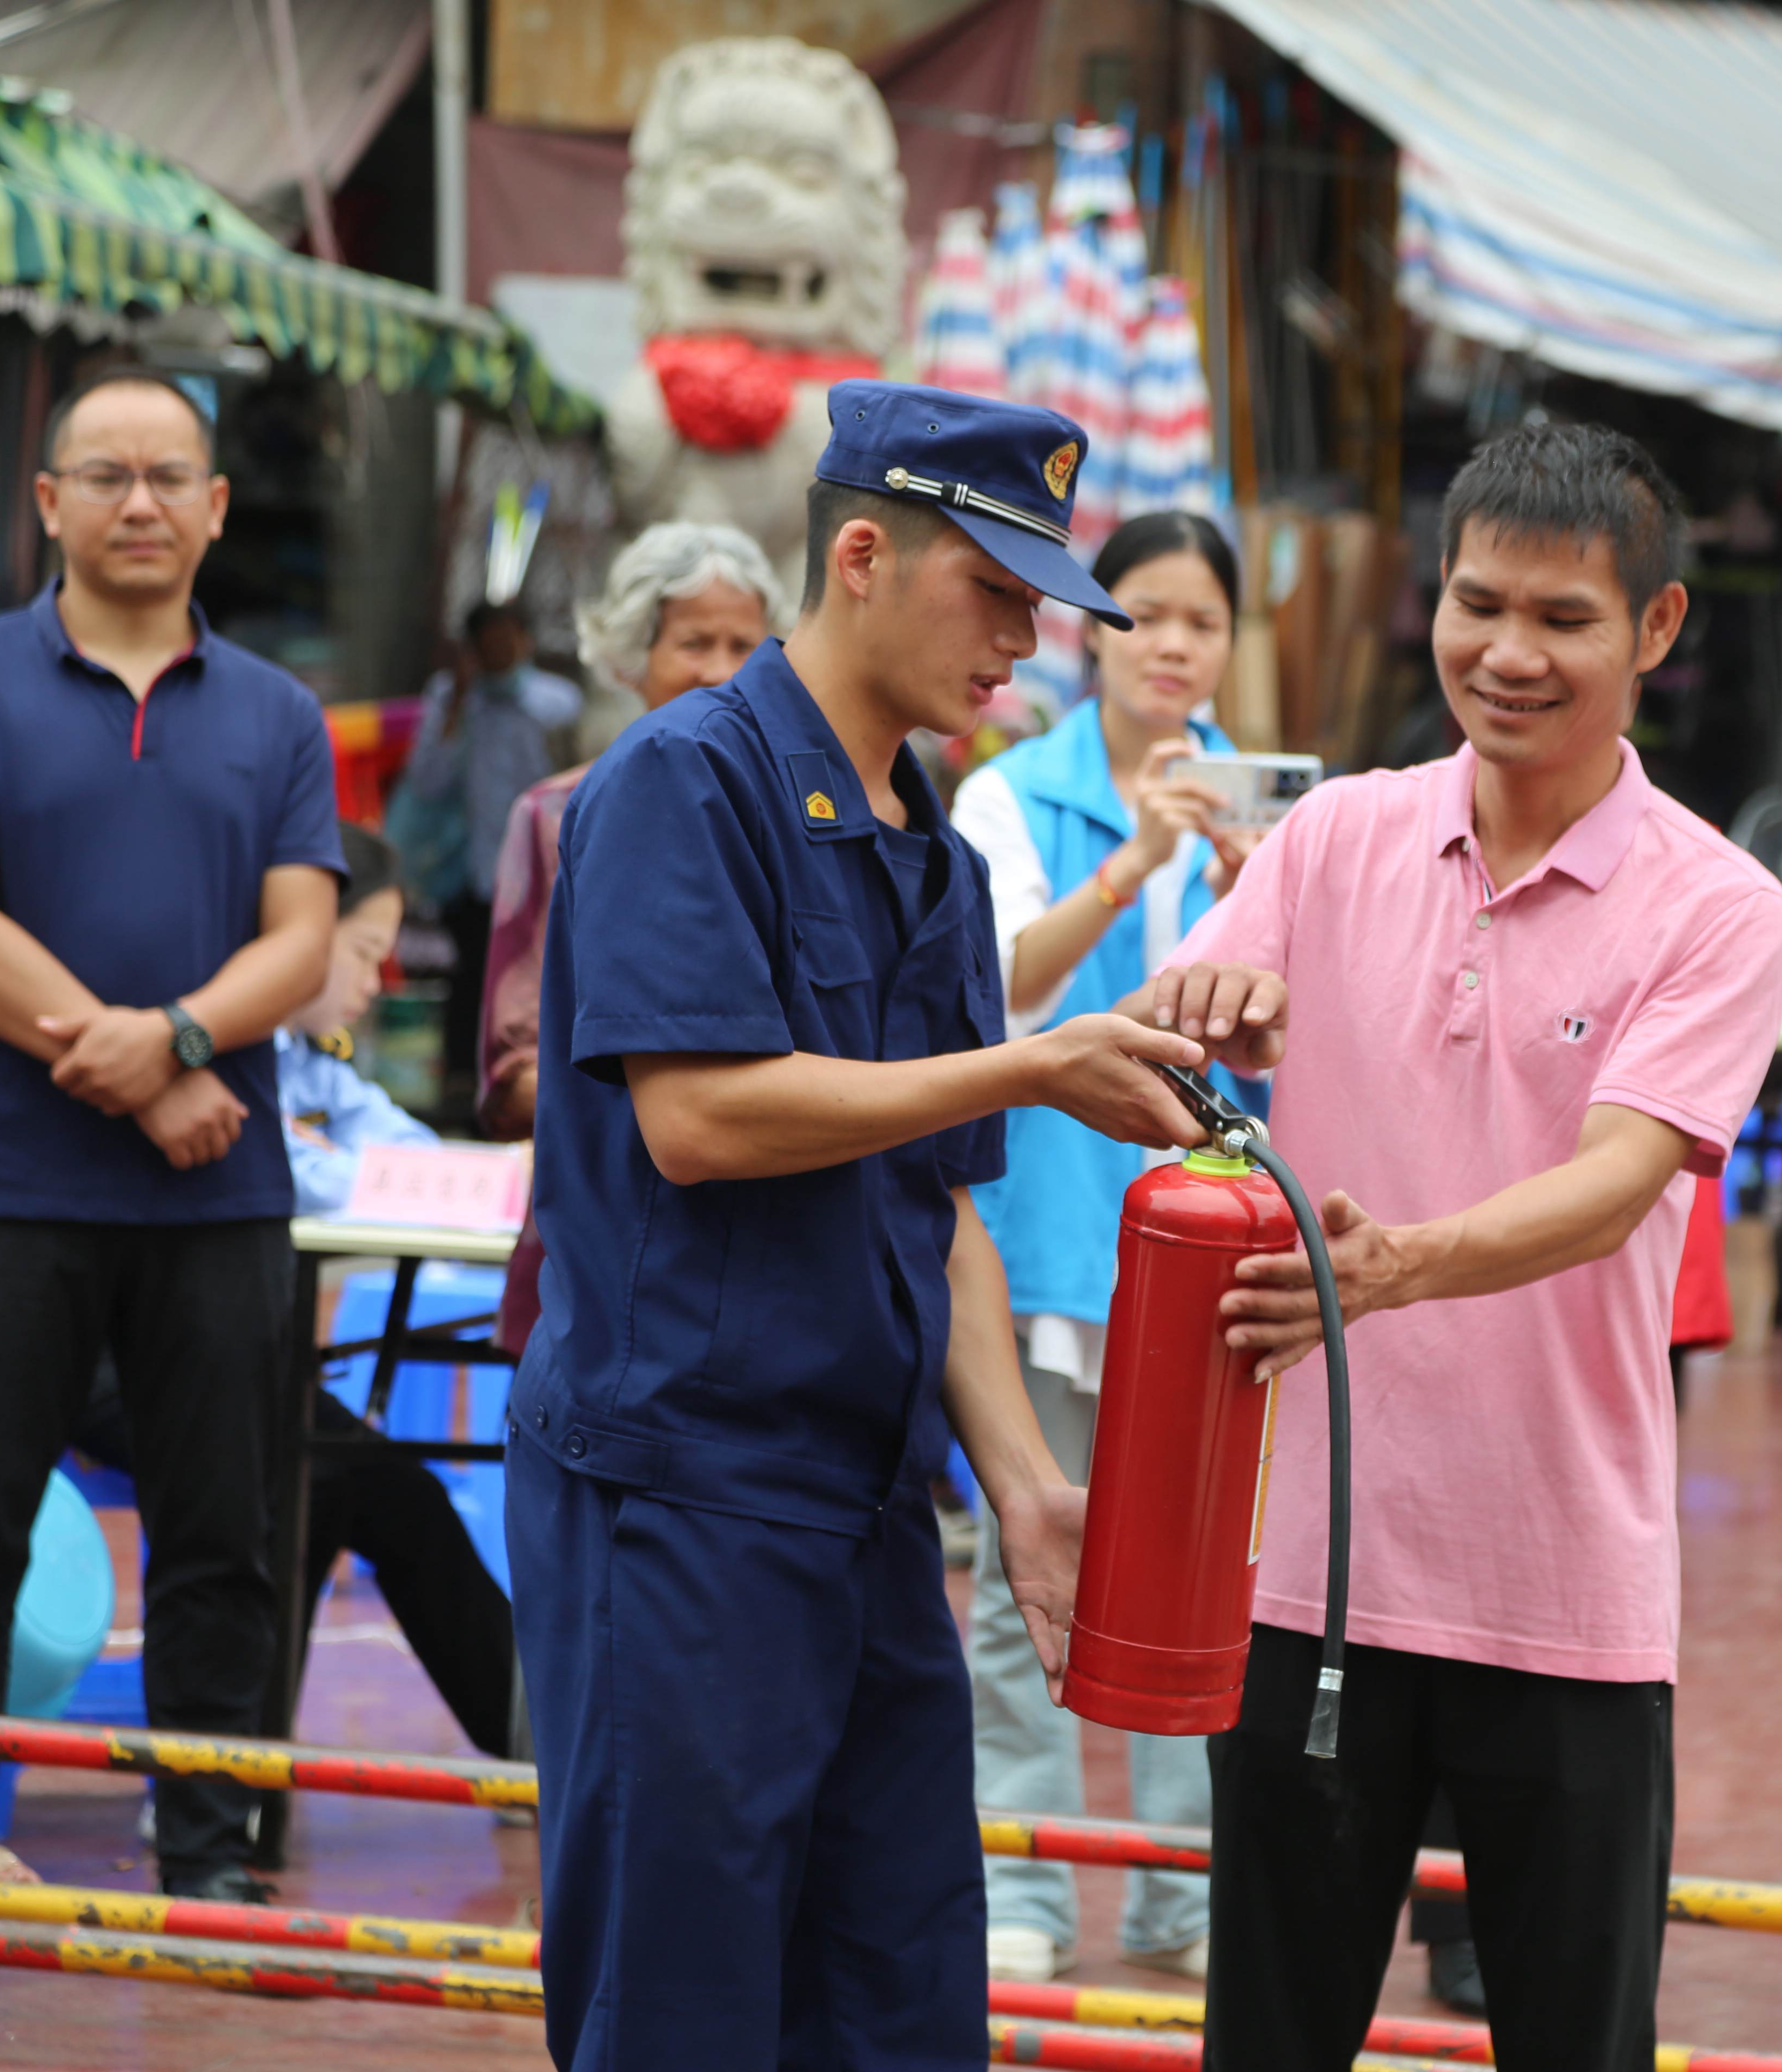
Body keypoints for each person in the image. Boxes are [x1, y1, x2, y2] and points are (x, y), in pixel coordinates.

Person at [510, 380, 1258, 2070]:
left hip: (865, 1509)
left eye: (1037, 605)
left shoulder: (934, 849)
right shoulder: (684, 788)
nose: (1022, 643)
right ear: (861, 554)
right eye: (992, 594)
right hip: (682, 1495)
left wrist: (1027, 1488)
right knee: (682, 1997)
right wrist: (1027, 1060)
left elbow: (945, 1216)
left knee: (900, 1990)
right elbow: (701, 1121)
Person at [1161, 420, 1782, 2072]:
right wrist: (1205, 1018)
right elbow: (1188, 1068)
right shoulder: (1332, 838)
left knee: (1576, 2045)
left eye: (1563, 620)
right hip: (1312, 1570)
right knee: (1269, 2040)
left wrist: (1396, 1267)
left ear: (1655, 630)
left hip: (1564, 1585)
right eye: (1477, 605)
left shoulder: (1717, 904)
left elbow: (1620, 1182)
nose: (1508, 655)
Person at [0, 363, 344, 1999]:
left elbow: (303, 936)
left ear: (216, 510)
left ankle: (209, 1869)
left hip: (223, 1205)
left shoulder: (280, 714)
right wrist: (148, 1078)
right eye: (107, 474)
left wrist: (190, 1035)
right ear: (48, 502)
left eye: (170, 478)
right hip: (7, 1192)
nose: (140, 503)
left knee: (224, 1543)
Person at [949, 509, 1254, 1985]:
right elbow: (988, 987)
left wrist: (1255, 872)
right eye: (1145, 616)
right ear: (1091, 630)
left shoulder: (1287, 813)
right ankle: (1027, 1884)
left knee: (1206, 1579)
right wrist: (1139, 859)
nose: (1175, 647)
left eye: (1202, 620)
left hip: (1220, 1261)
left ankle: (1188, 1901)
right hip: (1045, 1246)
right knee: (1031, 1573)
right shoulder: (1013, 800)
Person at [73, 821, 518, 1758]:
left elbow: (418, 1162)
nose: (373, 982)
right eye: (363, 953)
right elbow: (313, 1176)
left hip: (229, 1357)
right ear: (303, 932)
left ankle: (528, 1744)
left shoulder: (317, 1062)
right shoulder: (214, 1049)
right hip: (109, 1354)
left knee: (364, 1476)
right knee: (319, 1468)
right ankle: (223, 1772)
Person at [477, 522, 780, 1352]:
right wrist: (678, 1084)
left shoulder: (797, 822)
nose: (721, 669)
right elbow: (511, 1075)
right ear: (629, 656)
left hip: (766, 1237)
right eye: (692, 641)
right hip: (602, 1225)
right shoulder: (553, 818)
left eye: (743, 643)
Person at [400, 599, 582, 1113]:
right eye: (488, 641)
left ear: (525, 641)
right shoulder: (451, 698)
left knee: (541, 976)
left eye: (509, 638)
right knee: (472, 980)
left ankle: (537, 1084)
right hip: (475, 868)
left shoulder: (556, 702)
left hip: (547, 866)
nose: (500, 650)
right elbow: (427, 782)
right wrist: (457, 702)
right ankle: (466, 1086)